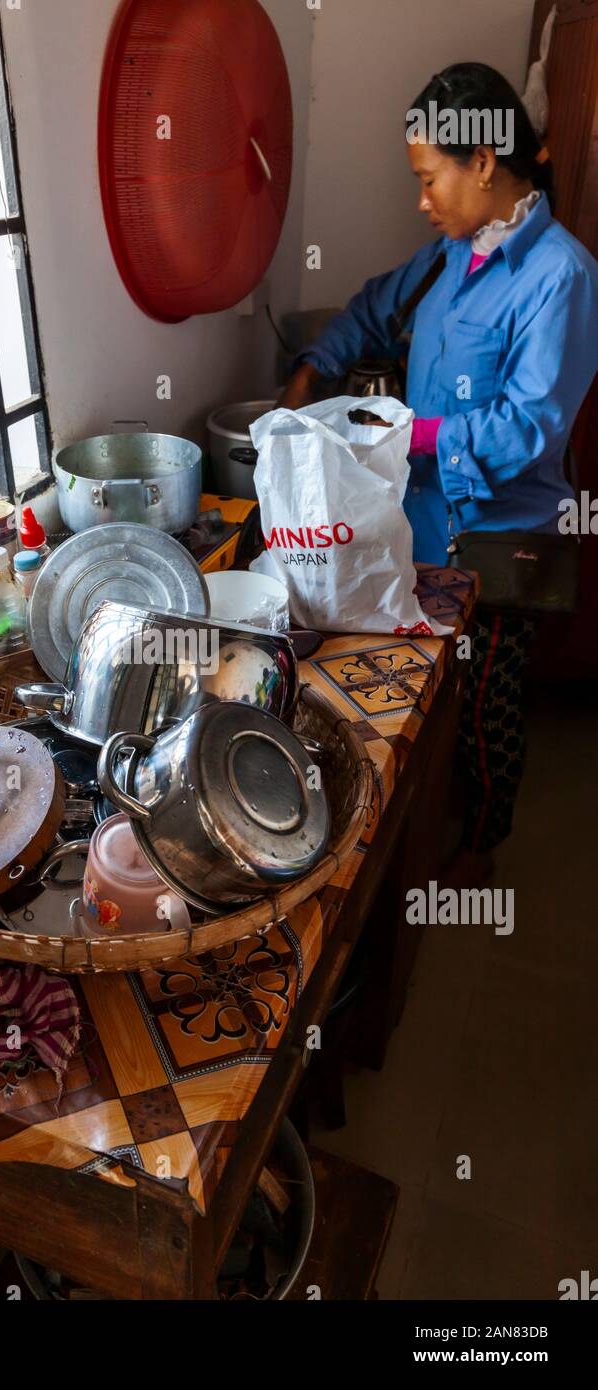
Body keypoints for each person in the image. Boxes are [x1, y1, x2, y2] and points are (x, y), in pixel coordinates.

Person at [281, 63, 598, 884]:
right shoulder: (450, 257)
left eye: (429, 178)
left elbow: (530, 427)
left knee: (485, 704)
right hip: (420, 528)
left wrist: (412, 433)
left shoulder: (559, 277)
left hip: (498, 542)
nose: (422, 198)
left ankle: (481, 843)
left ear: (483, 164)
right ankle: (419, 821)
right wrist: (316, 371)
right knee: (425, 695)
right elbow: (372, 307)